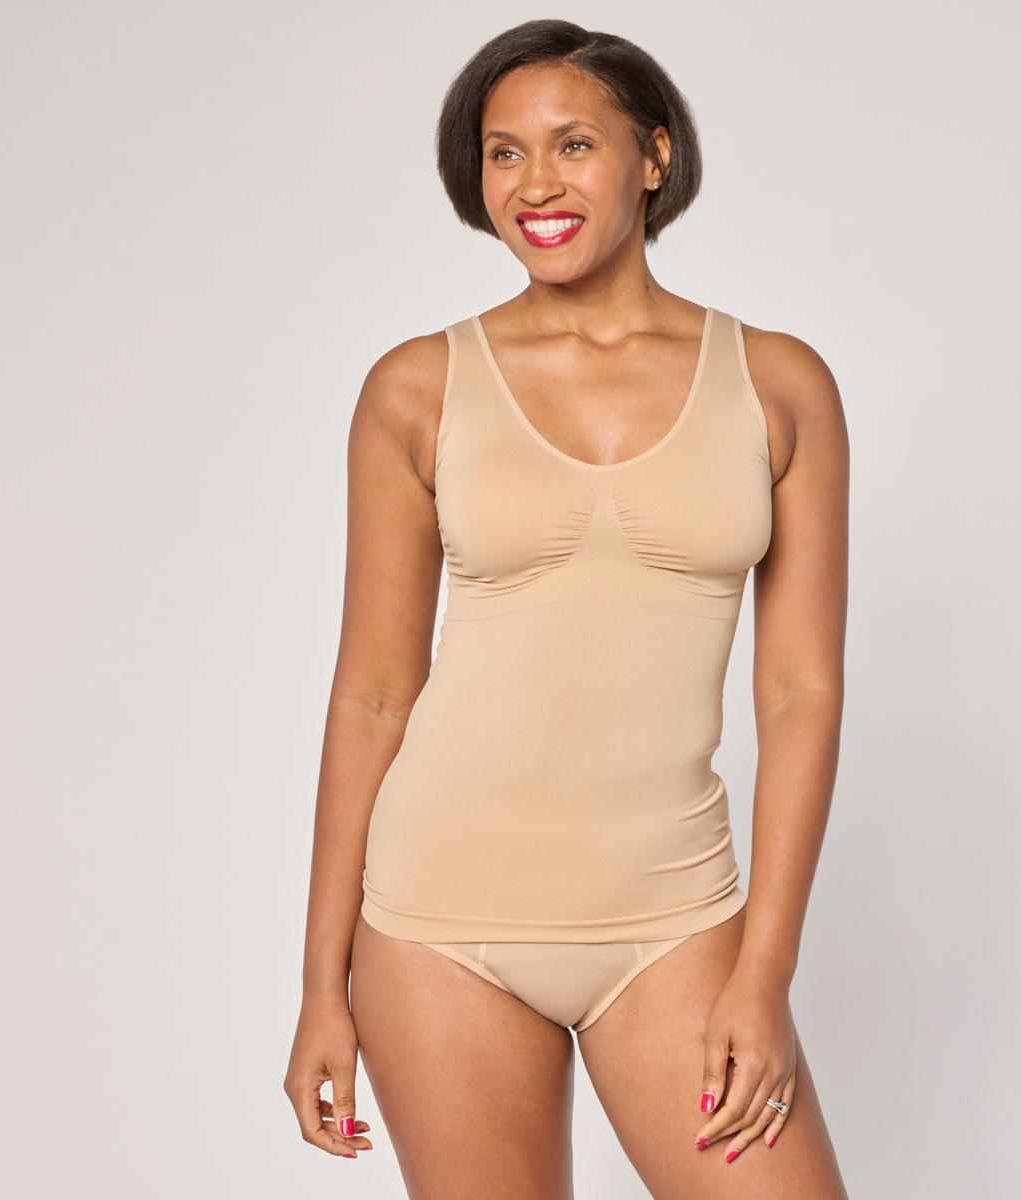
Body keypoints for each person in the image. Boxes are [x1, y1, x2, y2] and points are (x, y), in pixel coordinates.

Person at [284, 18, 850, 1198]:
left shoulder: (778, 384)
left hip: (675, 919)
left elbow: (800, 694)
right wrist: (318, 988)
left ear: (654, 156)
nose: (534, 184)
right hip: (437, 926)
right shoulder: (416, 388)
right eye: (504, 153)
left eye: (573, 144)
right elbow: (373, 694)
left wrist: (765, 972)